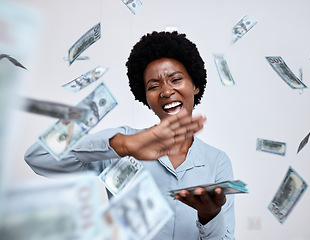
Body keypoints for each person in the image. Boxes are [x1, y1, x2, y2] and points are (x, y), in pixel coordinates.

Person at [25, 31, 235, 239]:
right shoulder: (122, 141)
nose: (166, 91)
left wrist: (210, 216)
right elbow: (37, 157)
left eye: (176, 79)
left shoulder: (217, 161)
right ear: (145, 97)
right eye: (153, 86)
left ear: (195, 85)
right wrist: (123, 146)